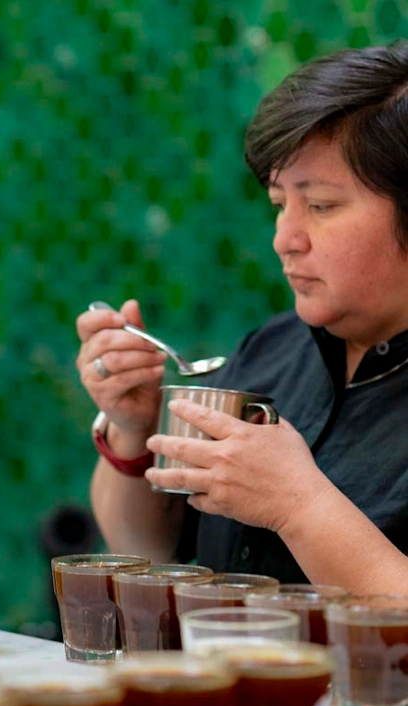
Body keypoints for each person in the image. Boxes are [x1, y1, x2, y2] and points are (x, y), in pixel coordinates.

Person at [75, 41, 408, 595]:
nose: (285, 239)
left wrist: (300, 505)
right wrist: (133, 430)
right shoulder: (271, 350)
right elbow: (148, 550)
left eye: (321, 206)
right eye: (280, 205)